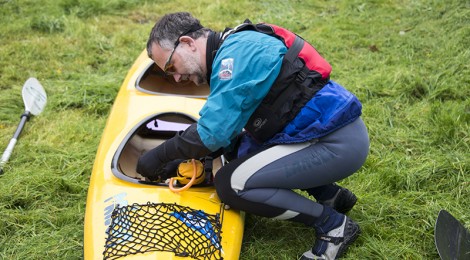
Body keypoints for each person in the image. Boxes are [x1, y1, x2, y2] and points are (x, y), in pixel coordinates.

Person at [137, 12, 369, 260]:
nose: (175, 77)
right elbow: (228, 134)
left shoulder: (233, 59)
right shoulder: (234, 45)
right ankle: (330, 195)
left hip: (335, 144)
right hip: (323, 133)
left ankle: (333, 226)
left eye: (171, 67)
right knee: (237, 152)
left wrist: (159, 155)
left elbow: (211, 133)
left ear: (187, 43)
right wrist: (190, 163)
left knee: (231, 184)